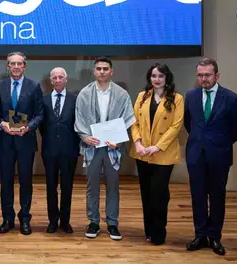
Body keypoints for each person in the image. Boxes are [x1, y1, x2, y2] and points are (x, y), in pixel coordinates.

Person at [184, 57, 237, 256]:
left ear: (217, 75)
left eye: (207, 75)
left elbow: (235, 130)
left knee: (217, 196)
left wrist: (219, 143)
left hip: (219, 154)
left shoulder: (232, 98)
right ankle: (200, 234)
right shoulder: (190, 96)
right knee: (197, 196)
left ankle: (214, 236)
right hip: (196, 154)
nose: (203, 79)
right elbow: (188, 124)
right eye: (200, 75)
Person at [74, 56, 135, 240]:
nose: (102, 71)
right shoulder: (84, 93)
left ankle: (112, 223)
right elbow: (79, 119)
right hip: (92, 147)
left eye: (105, 68)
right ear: (94, 71)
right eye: (99, 68)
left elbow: (128, 119)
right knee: (92, 186)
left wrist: (120, 141)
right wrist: (85, 136)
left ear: (111, 71)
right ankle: (93, 221)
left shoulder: (122, 94)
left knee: (113, 186)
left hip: (113, 148)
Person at [129, 63, 184, 246]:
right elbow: (134, 122)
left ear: (167, 78)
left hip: (163, 154)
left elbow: (176, 127)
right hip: (142, 152)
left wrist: (157, 147)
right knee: (146, 193)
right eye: (154, 76)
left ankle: (159, 232)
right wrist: (137, 143)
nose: (157, 79)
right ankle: (149, 230)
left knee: (159, 193)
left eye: (161, 76)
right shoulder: (142, 97)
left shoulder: (176, 98)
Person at [0, 51, 44, 235]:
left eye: (19, 64)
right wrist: (2, 123)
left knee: (26, 181)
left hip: (25, 141)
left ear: (24, 66)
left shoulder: (34, 86)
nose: (16, 67)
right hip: (5, 141)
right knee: (6, 182)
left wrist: (29, 127)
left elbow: (40, 114)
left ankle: (25, 218)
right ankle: (7, 219)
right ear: (7, 66)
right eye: (12, 64)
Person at [39, 67, 79, 234]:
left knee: (67, 187)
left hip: (69, 150)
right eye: (54, 77)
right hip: (49, 150)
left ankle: (65, 221)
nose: (57, 80)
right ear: (50, 80)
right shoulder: (44, 100)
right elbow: (41, 125)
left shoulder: (75, 99)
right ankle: (52, 221)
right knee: (51, 187)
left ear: (66, 79)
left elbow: (79, 124)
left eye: (60, 77)